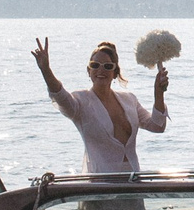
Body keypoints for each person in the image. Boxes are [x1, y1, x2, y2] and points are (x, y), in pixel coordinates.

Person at [32, 37, 167, 173]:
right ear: (88, 71)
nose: (100, 71)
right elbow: (60, 96)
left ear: (115, 73)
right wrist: (46, 70)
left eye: (107, 66)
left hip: (133, 182)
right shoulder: (80, 102)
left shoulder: (129, 100)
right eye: (95, 65)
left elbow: (157, 125)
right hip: (99, 186)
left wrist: (159, 92)